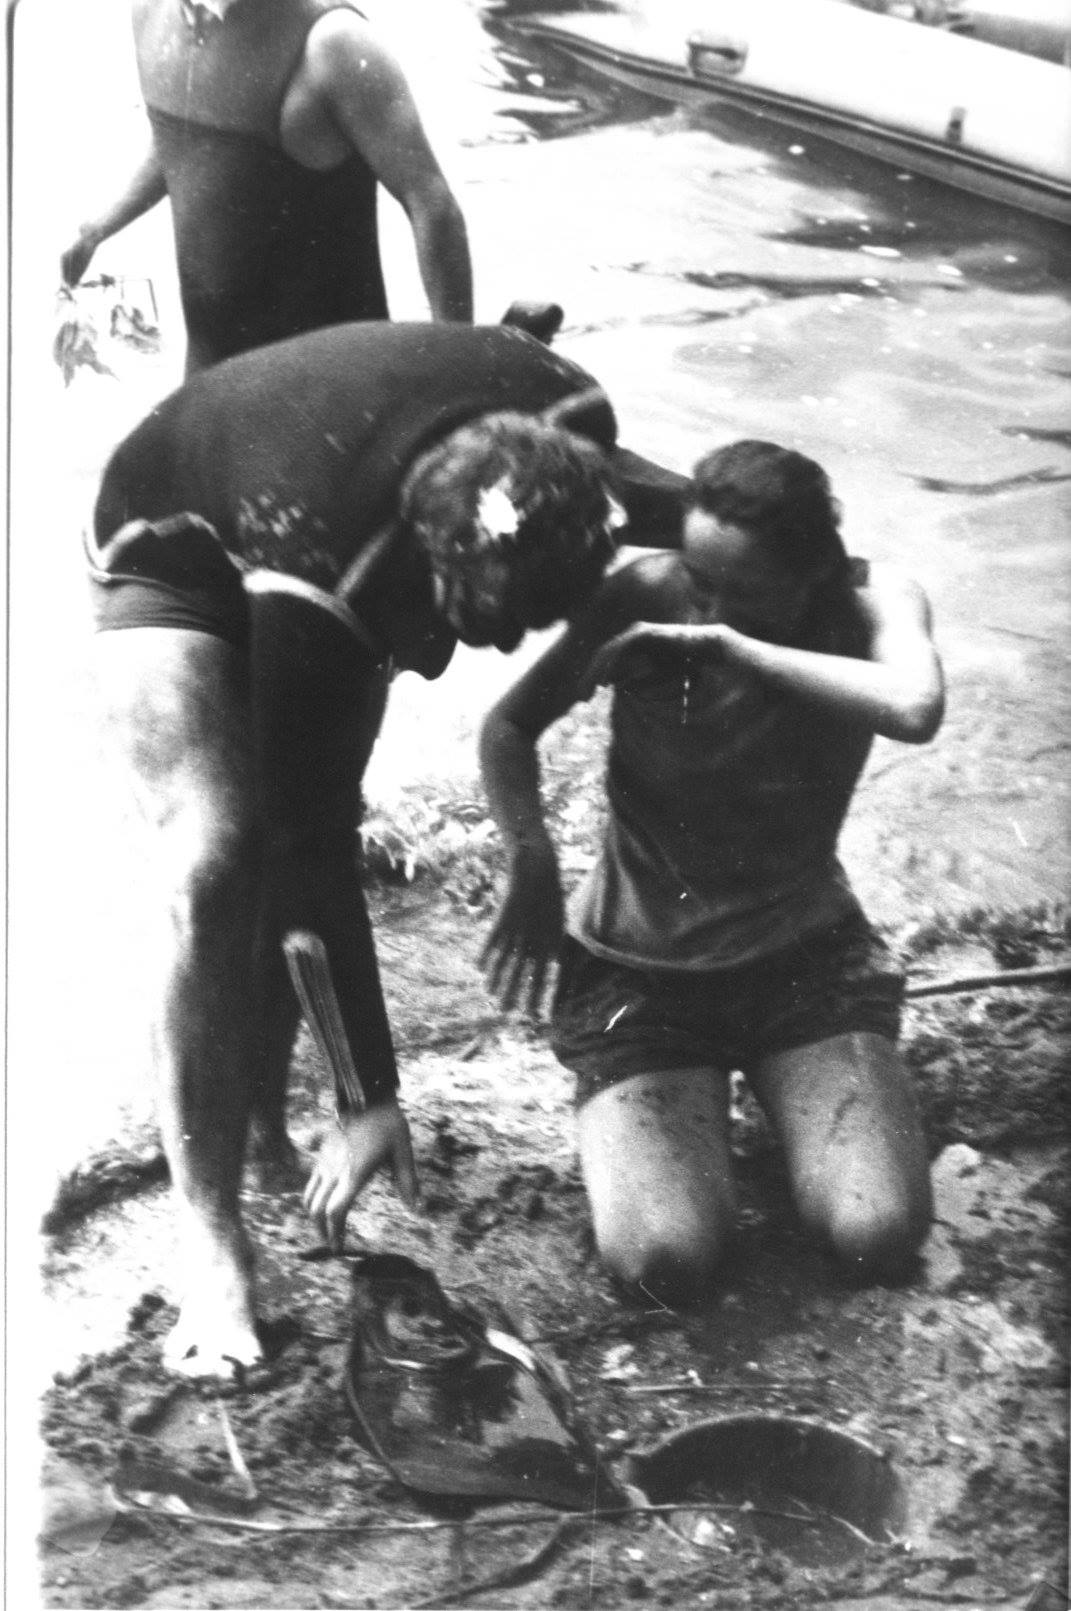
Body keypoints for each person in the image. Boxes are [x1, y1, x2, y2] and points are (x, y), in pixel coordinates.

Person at [88, 317, 686, 1374]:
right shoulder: (335, 579)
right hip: (170, 522)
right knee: (221, 860)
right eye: (467, 620)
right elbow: (307, 843)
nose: (475, 656)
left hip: (328, 471)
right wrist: (368, 1096)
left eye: (523, 625)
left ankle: (264, 1125)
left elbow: (726, 515)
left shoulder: (582, 432)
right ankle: (210, 1237)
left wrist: (834, 581)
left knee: (296, 816)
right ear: (425, 552)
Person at [480, 439, 944, 1307]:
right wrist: (530, 857)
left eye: (741, 590)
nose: (707, 604)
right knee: (665, 1261)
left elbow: (915, 707)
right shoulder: (643, 596)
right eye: (699, 580)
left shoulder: (874, 603)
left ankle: (792, 1113)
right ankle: (697, 1127)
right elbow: (508, 727)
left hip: (802, 961)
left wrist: (729, 646)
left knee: (877, 1232)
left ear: (813, 570)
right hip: (639, 979)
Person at [60, 0, 473, 372]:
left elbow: (432, 205)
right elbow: (182, 137)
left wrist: (457, 375)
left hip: (333, 381)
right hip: (211, 370)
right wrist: (98, 228)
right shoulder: (151, 14)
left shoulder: (334, 43)